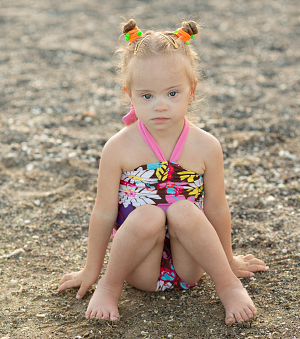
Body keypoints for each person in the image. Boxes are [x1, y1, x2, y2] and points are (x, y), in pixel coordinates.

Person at [58, 19, 267, 326]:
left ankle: (228, 286)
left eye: (172, 94)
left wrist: (229, 260)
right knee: (148, 215)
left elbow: (217, 208)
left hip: (190, 264)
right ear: (130, 93)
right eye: (147, 96)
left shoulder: (206, 147)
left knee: (184, 211)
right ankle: (109, 287)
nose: (159, 106)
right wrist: (92, 270)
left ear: (191, 91)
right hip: (139, 265)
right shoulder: (118, 148)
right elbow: (103, 213)